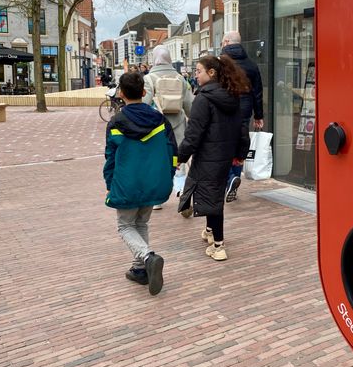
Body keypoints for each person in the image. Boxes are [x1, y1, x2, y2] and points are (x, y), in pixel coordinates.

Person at [103, 71, 177, 295]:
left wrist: (109, 182)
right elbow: (173, 152)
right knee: (141, 224)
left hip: (127, 183)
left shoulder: (116, 122)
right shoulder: (161, 121)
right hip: (154, 183)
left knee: (125, 225)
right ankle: (140, 269)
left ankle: (147, 257)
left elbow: (111, 158)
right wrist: (168, 175)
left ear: (121, 94)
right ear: (144, 92)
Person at [177, 55, 250, 261]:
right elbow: (242, 128)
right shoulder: (232, 95)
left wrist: (180, 157)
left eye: (198, 71)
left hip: (207, 156)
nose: (195, 75)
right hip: (224, 156)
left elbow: (194, 134)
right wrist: (241, 154)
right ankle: (209, 231)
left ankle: (218, 246)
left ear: (212, 73)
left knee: (212, 197)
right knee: (213, 192)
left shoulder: (203, 98)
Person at [143, 45, 194, 210]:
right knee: (178, 159)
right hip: (178, 126)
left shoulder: (148, 80)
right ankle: (180, 189)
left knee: (157, 160)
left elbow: (143, 104)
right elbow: (190, 107)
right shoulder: (181, 79)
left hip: (156, 128)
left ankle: (157, 200)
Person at [220, 31, 264, 202]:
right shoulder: (252, 65)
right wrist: (259, 115)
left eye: (223, 41)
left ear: (227, 42)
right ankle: (234, 183)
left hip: (224, 108)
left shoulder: (221, 64)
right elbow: (257, 92)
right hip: (244, 110)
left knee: (223, 146)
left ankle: (230, 178)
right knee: (239, 145)